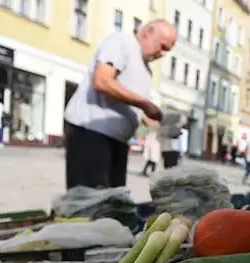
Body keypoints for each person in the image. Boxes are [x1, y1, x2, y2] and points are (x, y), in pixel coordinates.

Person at [64, 19, 176, 189]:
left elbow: (130, 105)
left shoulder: (146, 69)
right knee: (90, 200)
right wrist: (144, 104)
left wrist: (159, 120)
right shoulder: (122, 42)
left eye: (168, 50)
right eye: (162, 46)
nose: (163, 53)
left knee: (114, 202)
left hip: (118, 142)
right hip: (92, 133)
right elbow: (102, 81)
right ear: (148, 33)